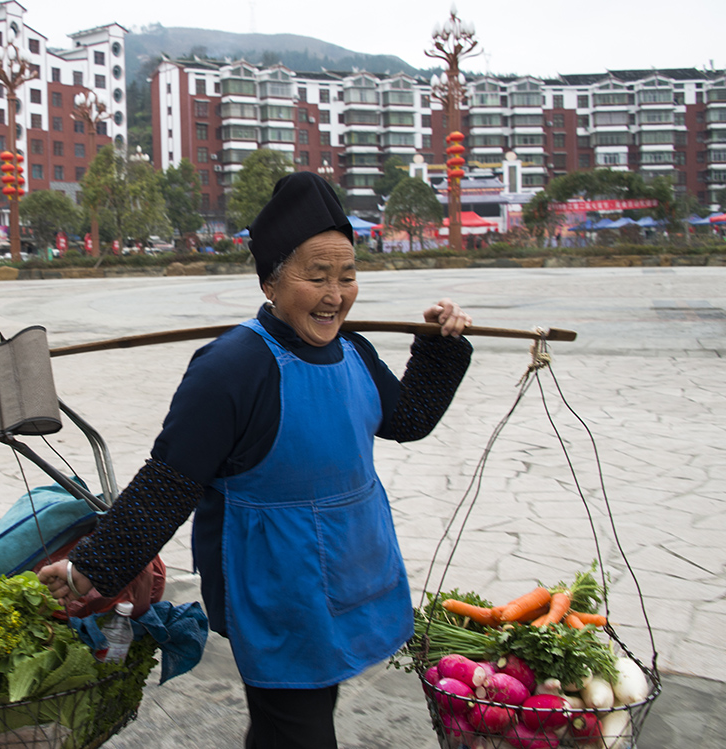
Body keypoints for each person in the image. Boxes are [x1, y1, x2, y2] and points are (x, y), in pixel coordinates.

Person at [39, 172, 473, 748]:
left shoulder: (354, 351)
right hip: (276, 583)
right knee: (297, 726)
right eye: (316, 277)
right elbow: (168, 484)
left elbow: (407, 420)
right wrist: (88, 569)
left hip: (352, 561)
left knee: (290, 721)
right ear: (270, 281)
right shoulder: (230, 367)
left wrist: (441, 348)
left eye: (346, 276)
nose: (335, 294)